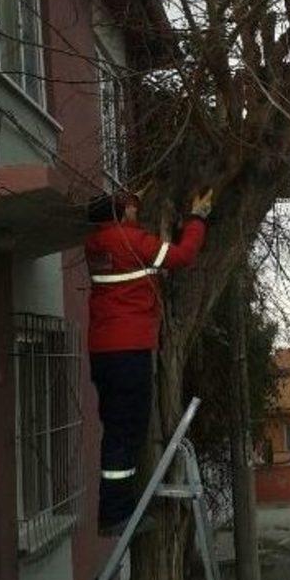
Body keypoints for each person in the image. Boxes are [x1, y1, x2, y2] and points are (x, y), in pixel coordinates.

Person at [85, 187, 213, 536]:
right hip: (129, 351)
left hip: (103, 351)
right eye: (130, 207)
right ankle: (116, 514)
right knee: (128, 431)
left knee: (116, 429)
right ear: (121, 212)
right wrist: (197, 218)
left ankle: (116, 509)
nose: (135, 211)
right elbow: (183, 255)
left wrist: (131, 198)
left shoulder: (96, 245)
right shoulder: (133, 243)